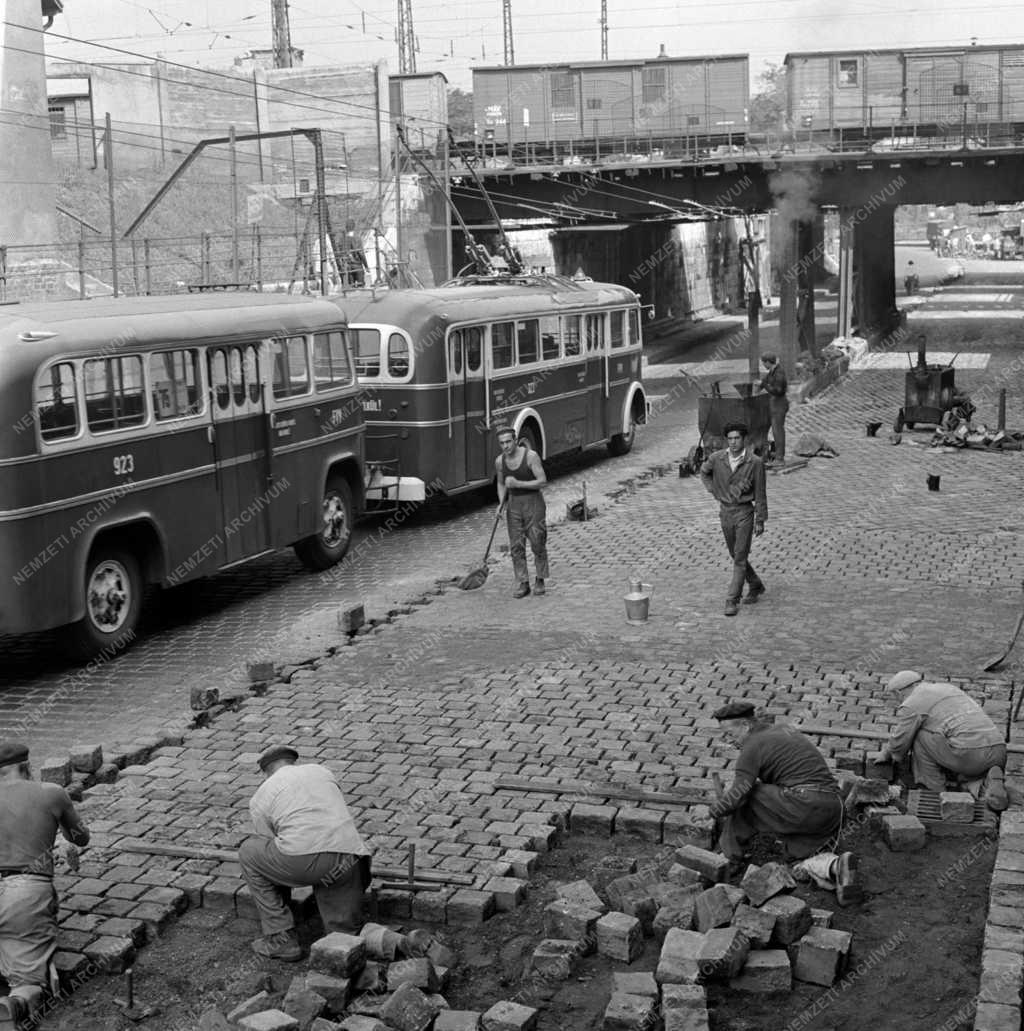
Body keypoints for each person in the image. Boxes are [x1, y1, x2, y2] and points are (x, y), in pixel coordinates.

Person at [709, 703, 861, 905]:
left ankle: (729, 858)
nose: (727, 740)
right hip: (833, 809)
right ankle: (836, 867)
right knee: (800, 860)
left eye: (729, 733)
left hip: (802, 804)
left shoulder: (752, 746)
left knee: (749, 795)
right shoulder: (783, 730)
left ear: (745, 725)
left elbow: (740, 791)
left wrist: (712, 812)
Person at [239, 745, 371, 961]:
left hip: (304, 862)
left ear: (266, 771)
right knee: (343, 936)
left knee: (249, 852)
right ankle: (344, 943)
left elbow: (270, 841)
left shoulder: (262, 794)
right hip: (350, 858)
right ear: (292, 762)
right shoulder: (322, 772)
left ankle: (281, 938)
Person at [0, 741, 90, 1027]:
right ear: (28, 767)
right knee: (27, 979)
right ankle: (17, 1002)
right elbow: (80, 837)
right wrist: (59, 827)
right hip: (24, 893)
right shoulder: (51, 793)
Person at [873, 671, 1008, 811]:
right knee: (968, 771)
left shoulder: (911, 703)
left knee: (919, 735)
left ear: (898, 693)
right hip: (998, 749)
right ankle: (986, 786)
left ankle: (934, 792)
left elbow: (900, 741)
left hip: (968, 754)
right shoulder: (948, 688)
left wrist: (889, 755)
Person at [699, 422, 767, 617]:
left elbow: (760, 493)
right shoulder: (717, 458)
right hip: (725, 512)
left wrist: (760, 519)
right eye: (730, 439)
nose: (734, 442)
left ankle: (732, 600)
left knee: (739, 557)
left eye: (737, 438)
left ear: (744, 439)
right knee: (734, 553)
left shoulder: (754, 462)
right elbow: (704, 472)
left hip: (745, 512)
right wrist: (714, 490)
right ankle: (755, 584)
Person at [495, 425, 549, 598]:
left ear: (516, 441)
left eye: (508, 442)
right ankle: (523, 581)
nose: (505, 446)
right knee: (516, 546)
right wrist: (500, 503)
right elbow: (502, 483)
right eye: (502, 443)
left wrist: (519, 484)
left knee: (537, 542)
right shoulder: (499, 461)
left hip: (533, 503)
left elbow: (542, 481)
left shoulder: (530, 457)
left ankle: (540, 578)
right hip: (514, 505)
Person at [758, 353, 789, 464]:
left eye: (763, 363)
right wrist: (759, 385)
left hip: (779, 404)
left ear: (768, 362)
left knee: (778, 431)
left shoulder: (779, 373)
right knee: (776, 431)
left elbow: (778, 391)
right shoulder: (772, 371)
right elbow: (765, 380)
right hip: (775, 404)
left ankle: (780, 458)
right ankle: (778, 454)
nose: (763, 365)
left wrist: (765, 386)